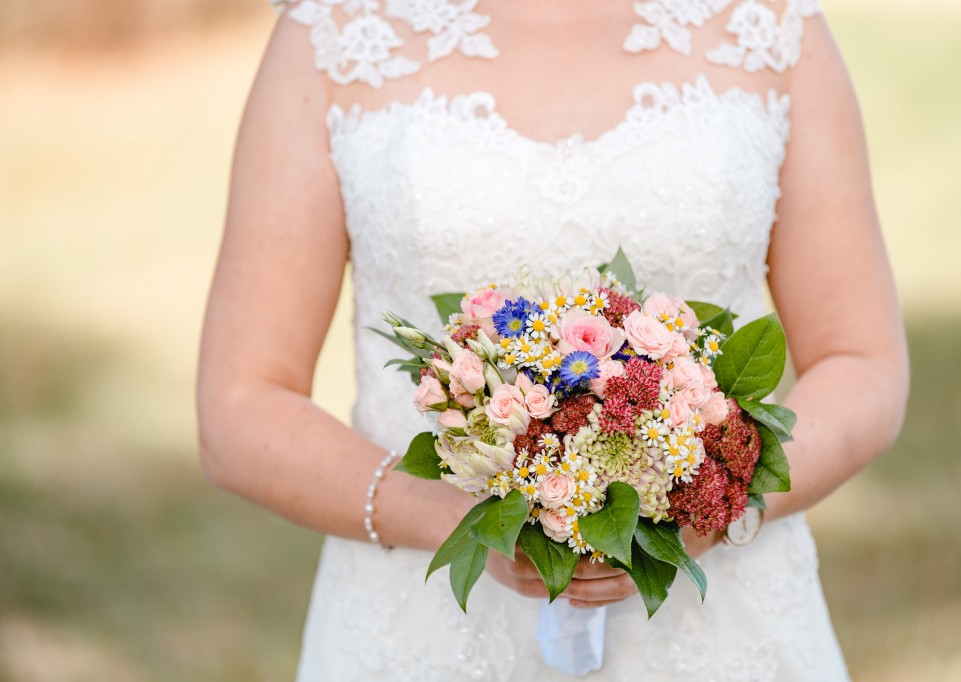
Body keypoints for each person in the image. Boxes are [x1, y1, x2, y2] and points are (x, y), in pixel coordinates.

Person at [197, 0, 909, 679]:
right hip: (423, 628)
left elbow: (861, 360)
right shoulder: (333, 33)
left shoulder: (771, 27)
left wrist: (715, 507)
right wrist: (469, 523)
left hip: (721, 622)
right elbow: (241, 404)